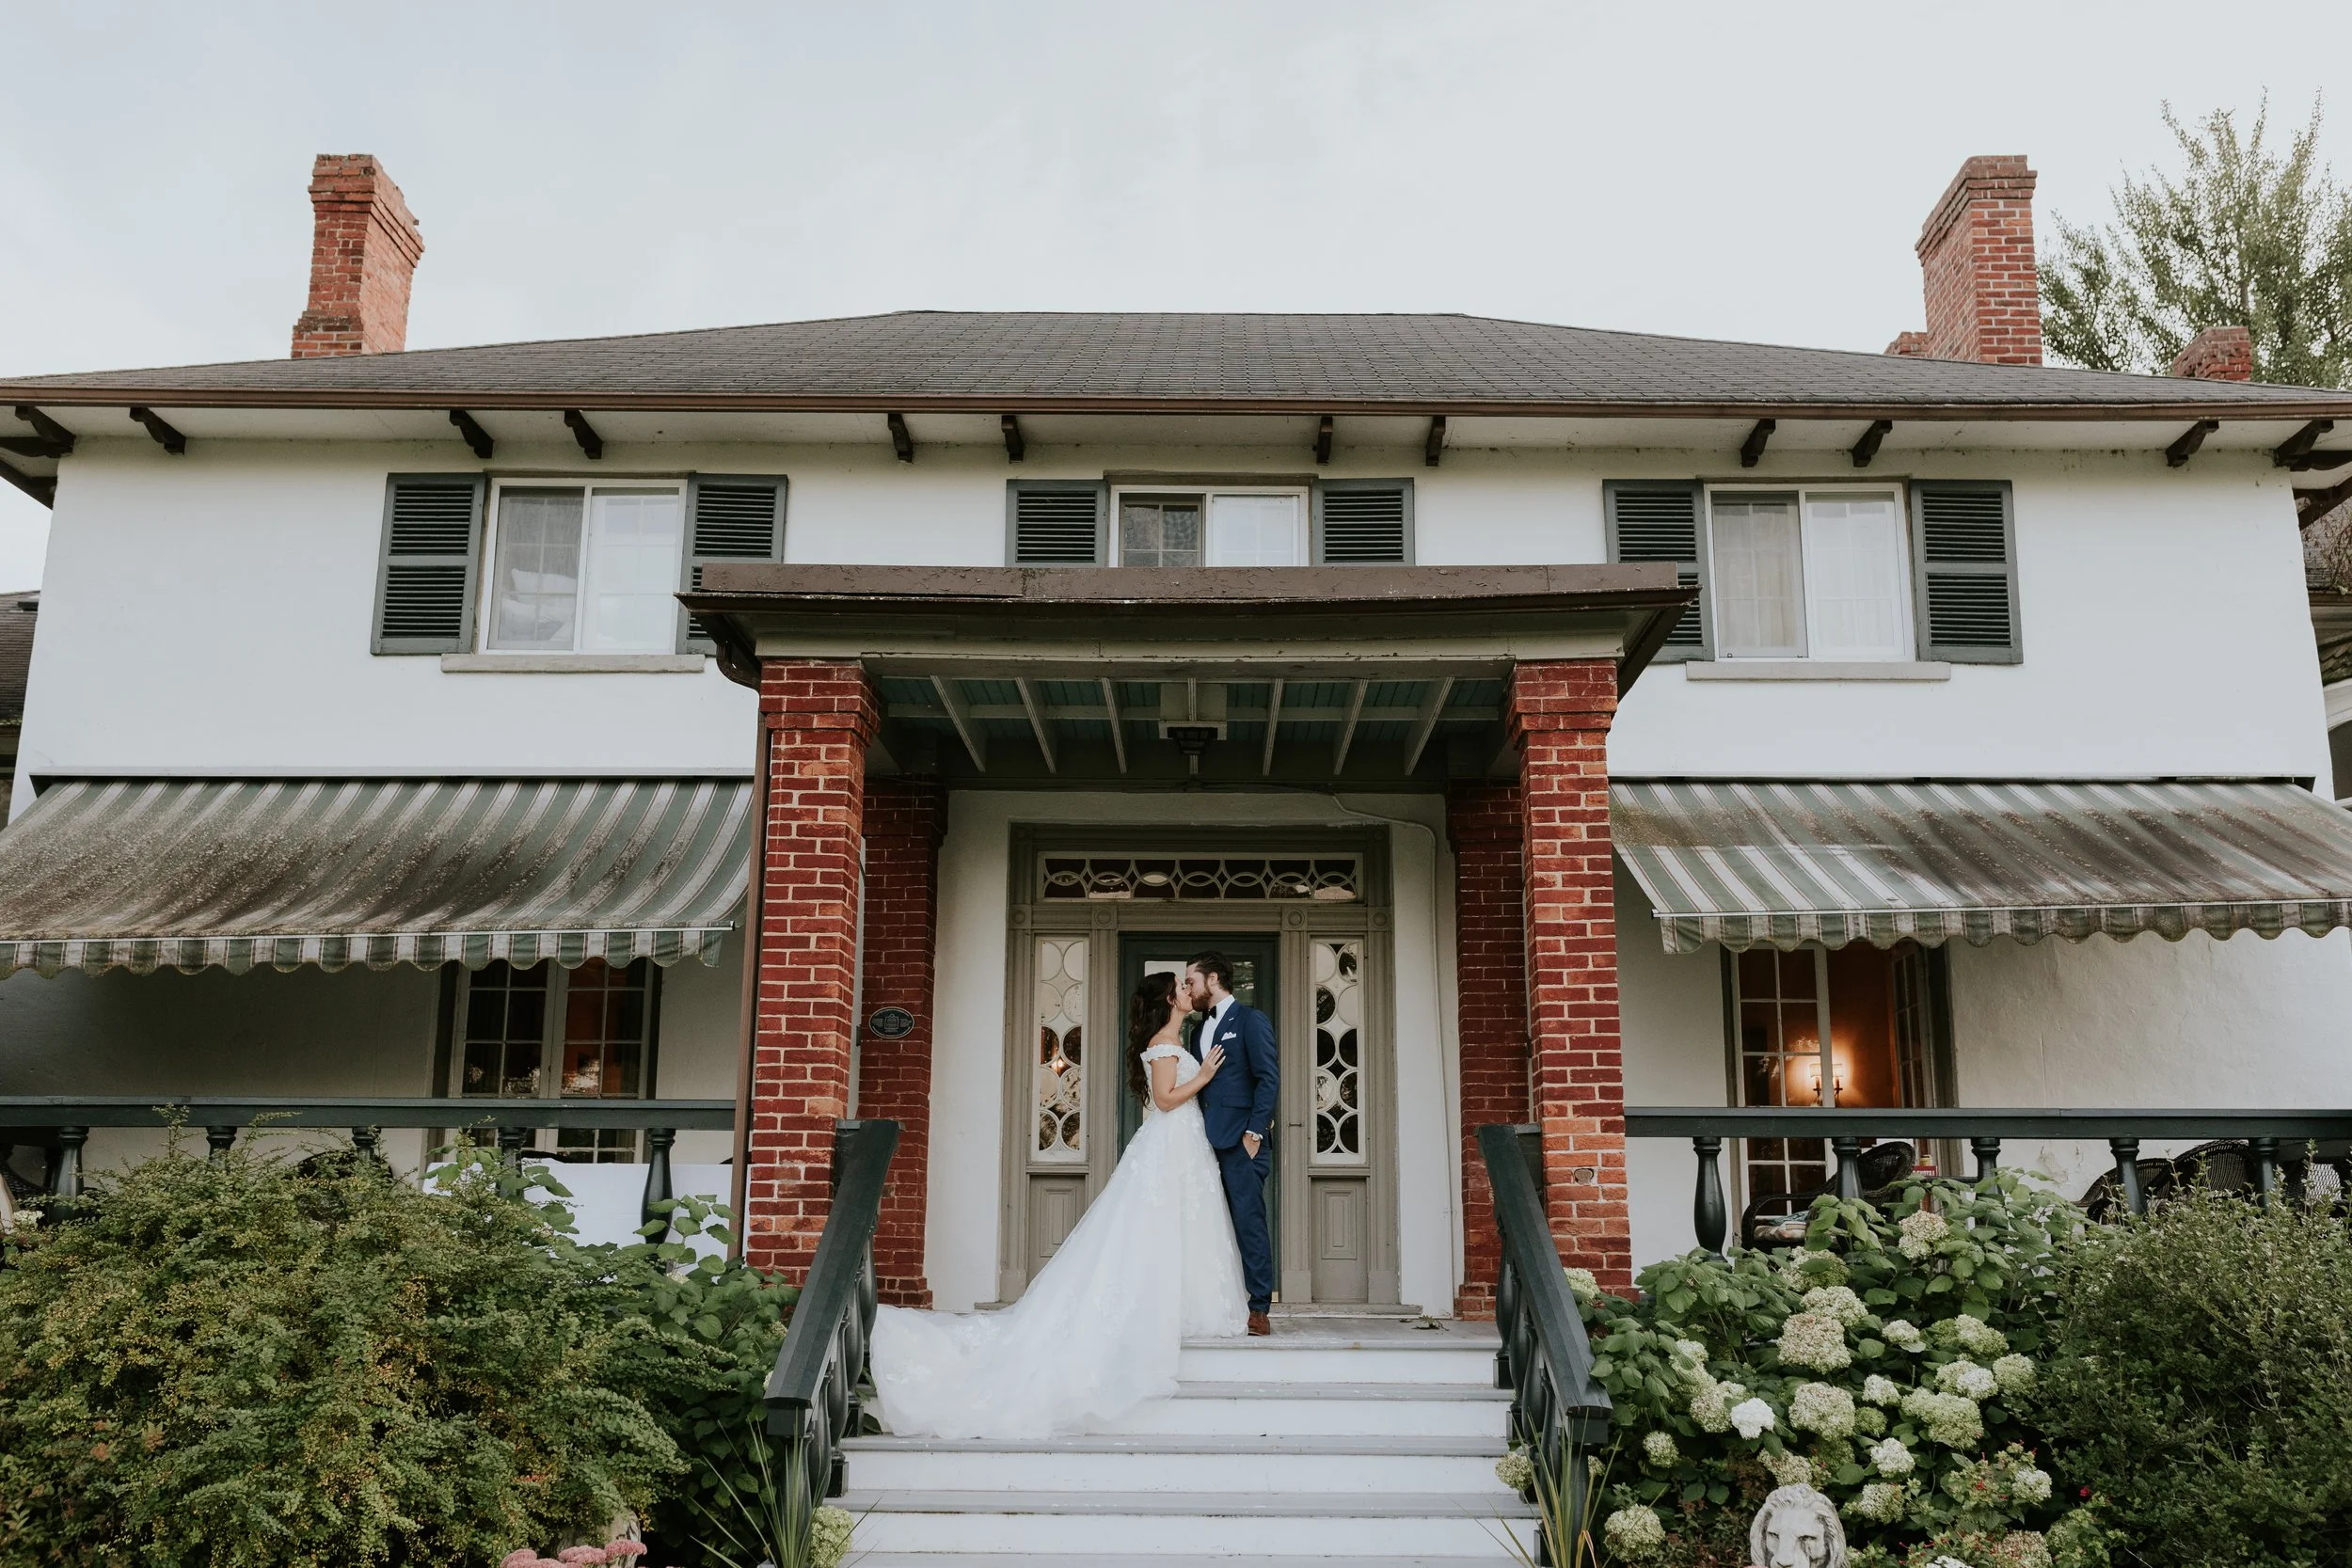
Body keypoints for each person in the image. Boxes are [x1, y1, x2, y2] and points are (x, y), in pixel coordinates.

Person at [866, 970, 1247, 1438]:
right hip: (1171, 1141)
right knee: (1154, 1226)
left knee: (1173, 1225)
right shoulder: (1165, 1044)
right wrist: (1205, 1076)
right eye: (1184, 988)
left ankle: (1185, 1305)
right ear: (1170, 997)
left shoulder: (1172, 1038)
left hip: (1182, 1146)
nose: (1191, 992)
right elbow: (1167, 1100)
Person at [1184, 949, 1279, 1337]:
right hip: (1201, 1143)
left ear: (1213, 980)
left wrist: (1254, 1133)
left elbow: (1268, 1077)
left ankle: (1259, 1308)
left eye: (1191, 980)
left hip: (1241, 1142)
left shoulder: (1251, 1020)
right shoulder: (1196, 1031)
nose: (1188, 988)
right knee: (1206, 1224)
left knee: (1248, 1223)